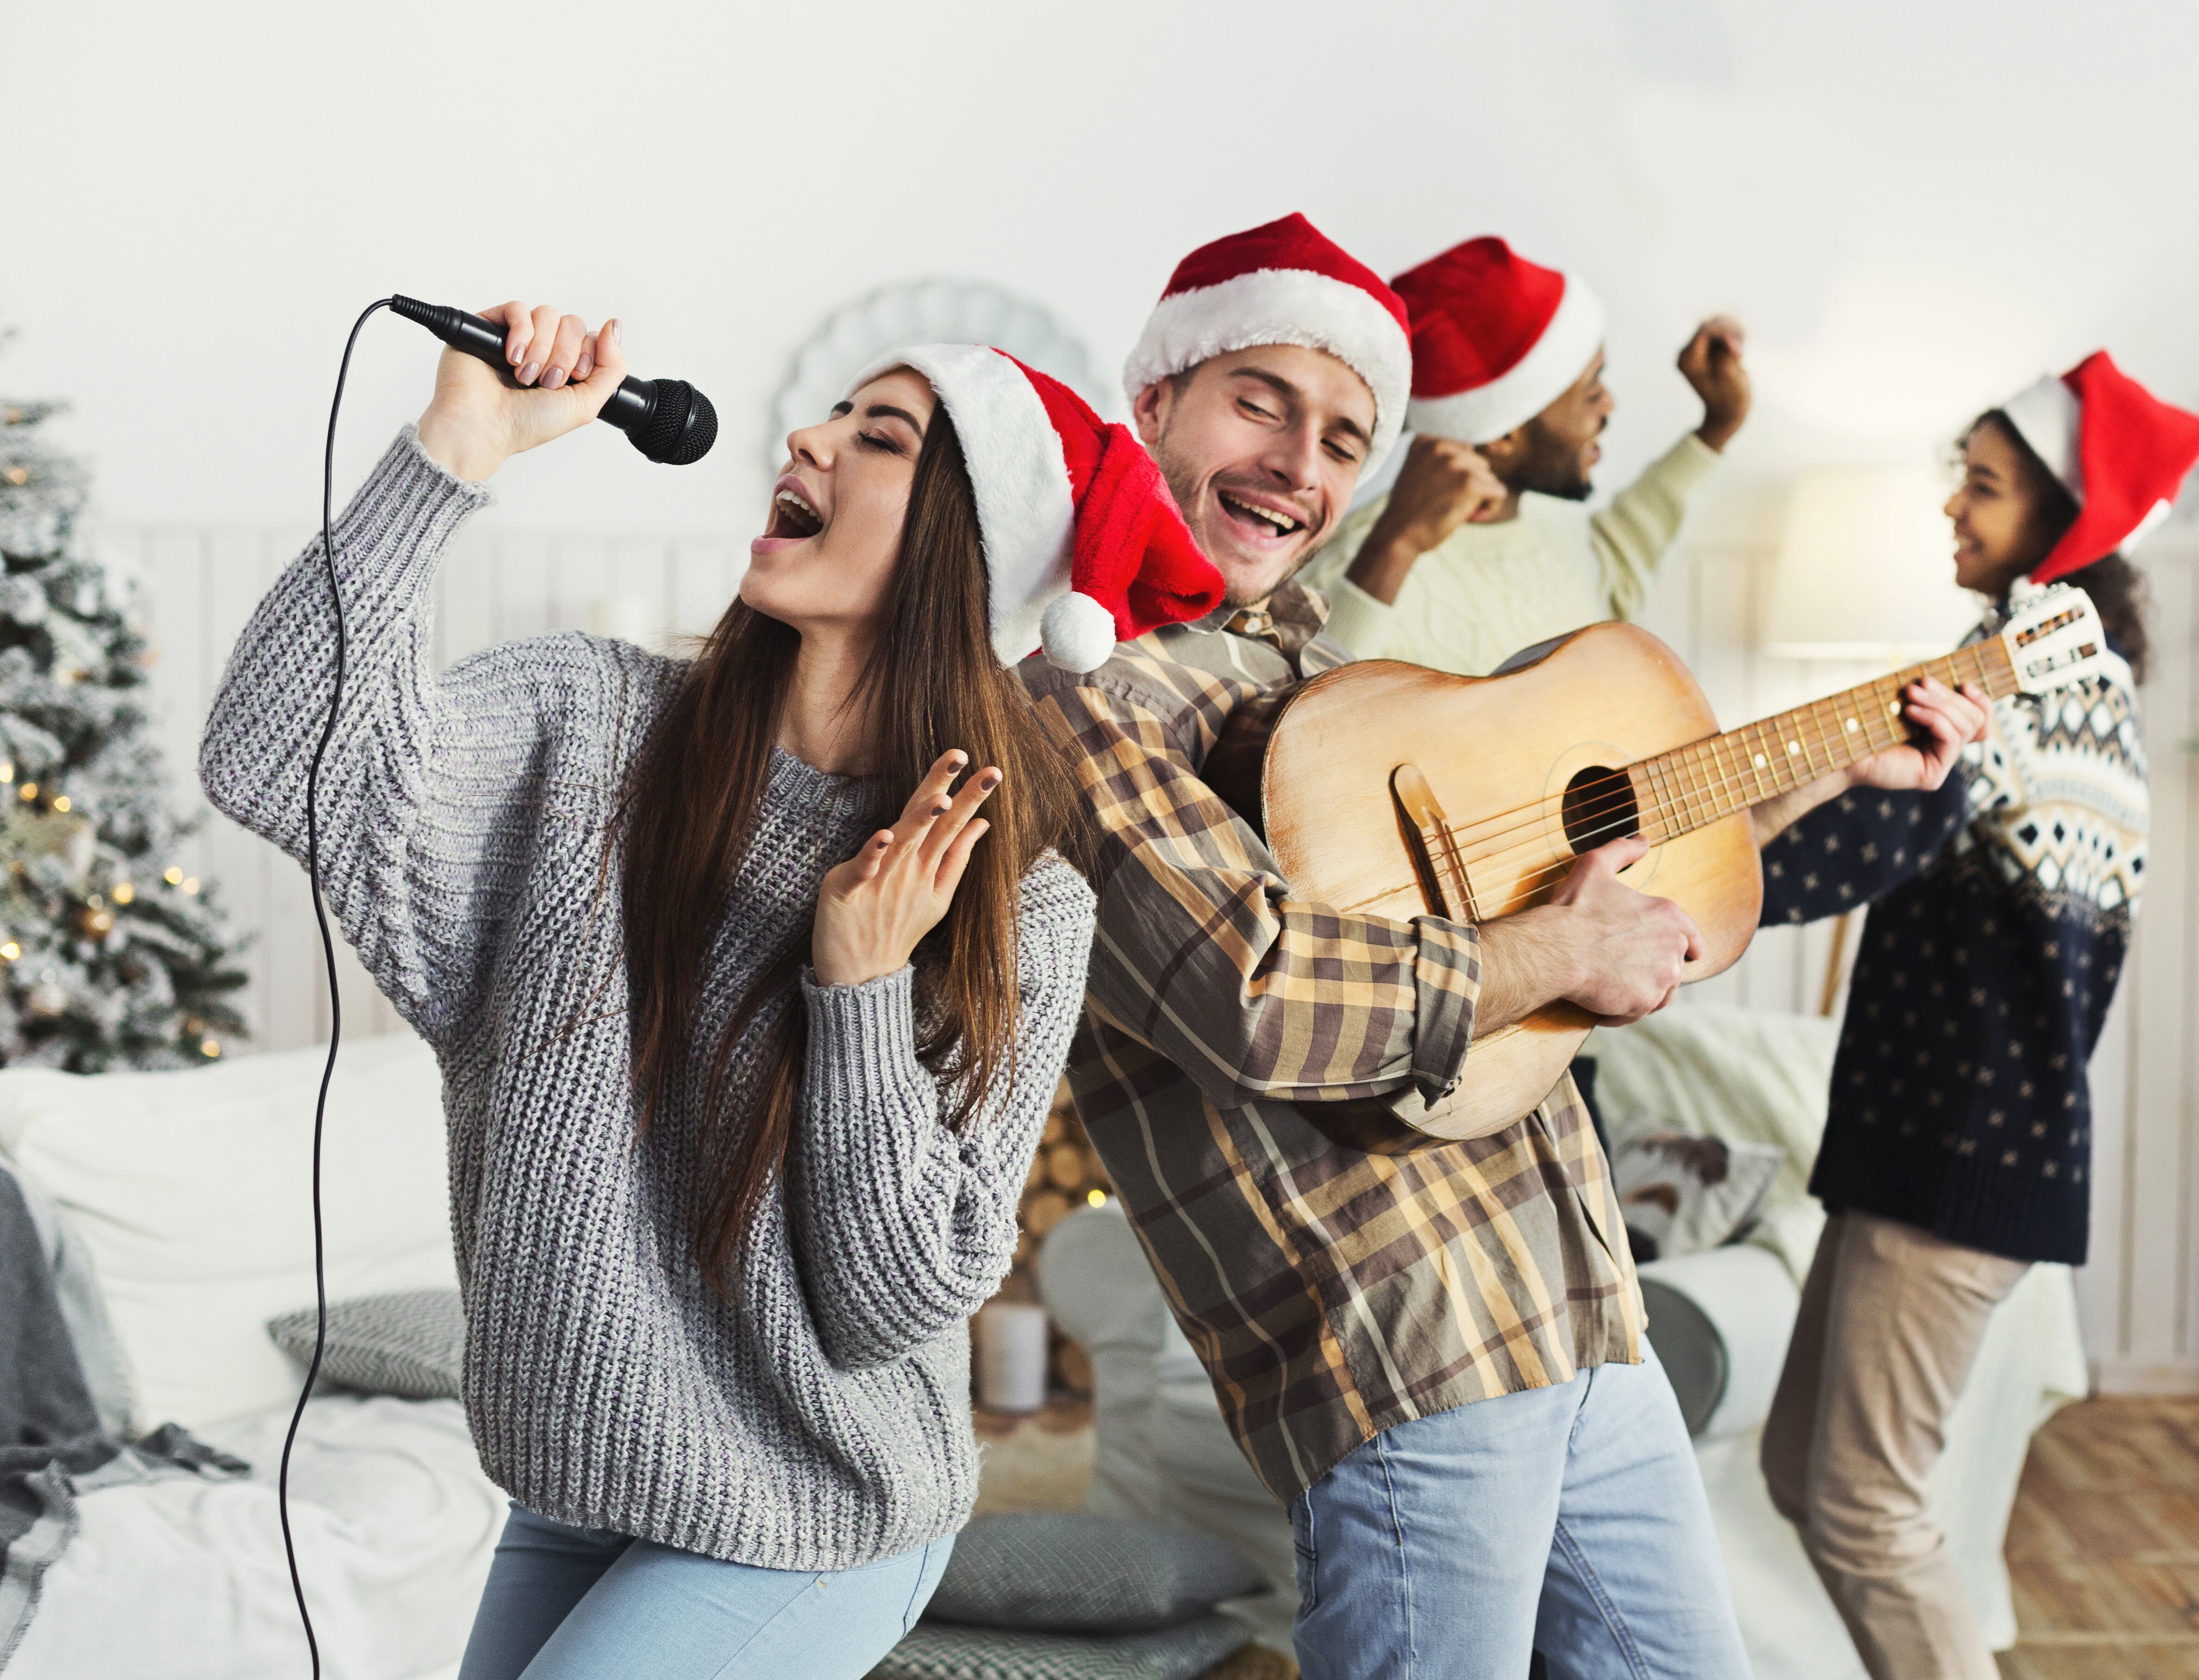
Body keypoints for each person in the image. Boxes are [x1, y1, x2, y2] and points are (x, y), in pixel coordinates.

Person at [1018, 213, 1989, 1679]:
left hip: (1579, 1303)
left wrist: (1831, 766)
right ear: (1153, 401)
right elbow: (1257, 990)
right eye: (1258, 403)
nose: (1298, 463)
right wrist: (1558, 954)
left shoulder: (1319, 664)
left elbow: (1579, 877)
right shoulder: (1083, 695)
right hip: (1405, 1345)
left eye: (1343, 436)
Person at [201, 308, 1222, 1680]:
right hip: (578, 1476)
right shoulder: (588, 725)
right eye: (830, 414)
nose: (806, 437)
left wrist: (859, 984)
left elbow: (893, 1299)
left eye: (879, 437)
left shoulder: (1013, 901)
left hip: (813, 1503)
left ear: (965, 550)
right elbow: (276, 751)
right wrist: (455, 447)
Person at [1755, 351, 2198, 1680]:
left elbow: (1863, 840)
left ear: (2060, 517)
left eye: (1988, 485)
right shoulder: (2041, 663)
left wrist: (1686, 875)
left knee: (1863, 1510)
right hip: (1917, 1138)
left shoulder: (2031, 669)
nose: (1955, 504)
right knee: (1799, 1468)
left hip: (1962, 1148)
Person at [1302, 235, 1750, 676]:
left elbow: (1616, 570)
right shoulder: (1358, 569)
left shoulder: (1553, 522)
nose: (1610, 405)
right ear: (1503, 435)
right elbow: (1316, 705)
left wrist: (1718, 425)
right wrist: (1394, 548)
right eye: (1592, 389)